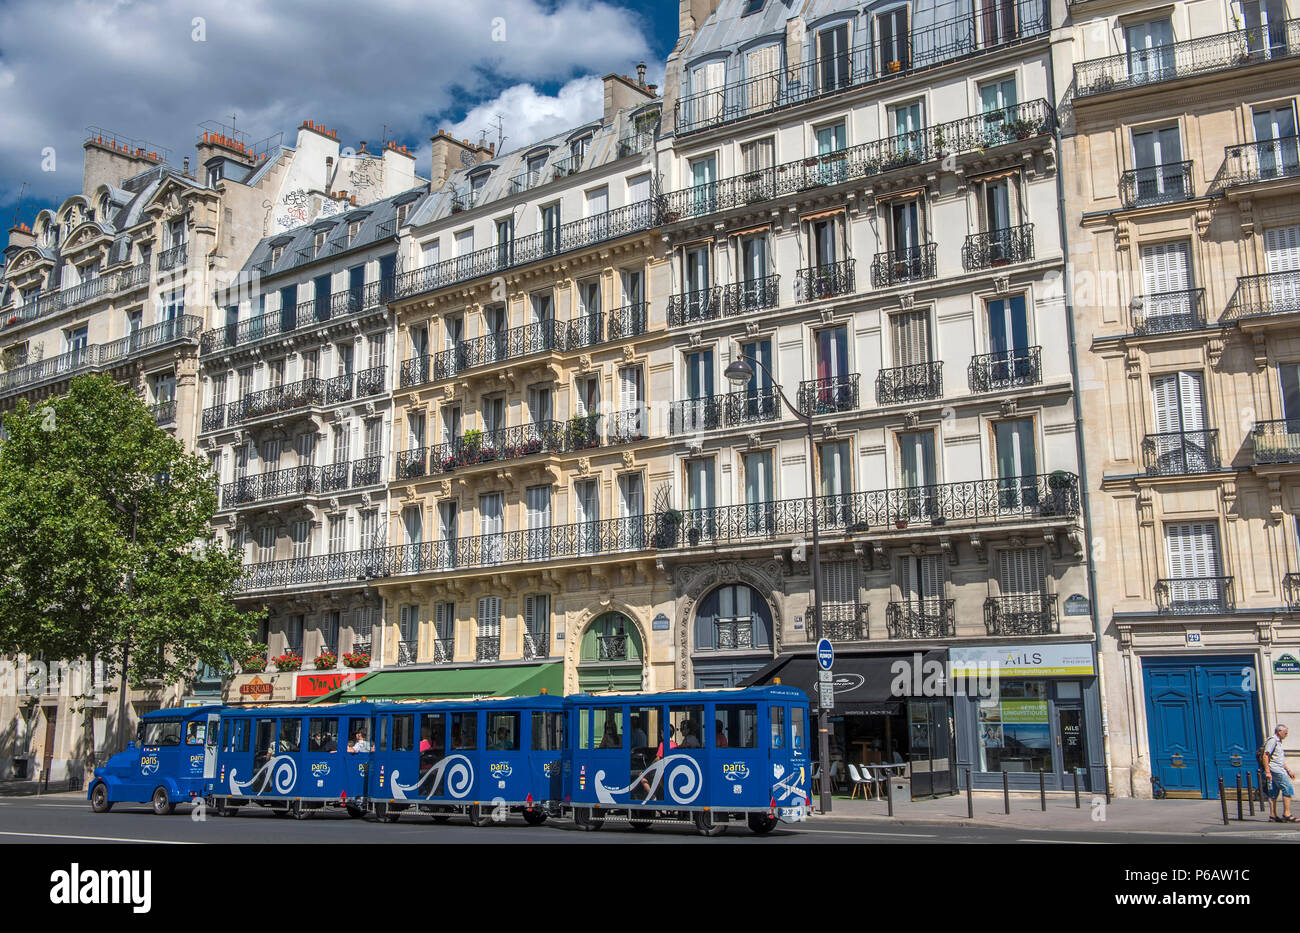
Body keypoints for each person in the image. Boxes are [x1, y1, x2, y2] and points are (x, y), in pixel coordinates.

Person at [1265, 724, 1296, 822]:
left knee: (1273, 792)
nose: (1286, 735)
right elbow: (1265, 756)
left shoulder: (1278, 742)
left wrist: (1288, 770)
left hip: (1278, 769)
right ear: (1279, 731)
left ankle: (1272, 816)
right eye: (1285, 733)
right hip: (1275, 770)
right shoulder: (1273, 741)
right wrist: (1267, 771)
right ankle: (1287, 814)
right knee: (1287, 789)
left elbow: (1279, 759)